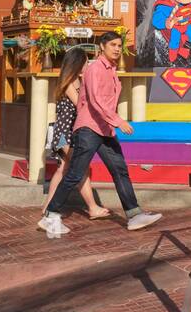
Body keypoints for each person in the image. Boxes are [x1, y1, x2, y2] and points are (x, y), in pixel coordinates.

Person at [37, 31, 161, 237]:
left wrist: (112, 123)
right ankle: (50, 215)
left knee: (119, 169)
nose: (117, 48)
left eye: (119, 45)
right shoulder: (95, 69)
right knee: (75, 172)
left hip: (104, 129)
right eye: (112, 44)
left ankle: (134, 214)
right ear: (101, 47)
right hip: (88, 129)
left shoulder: (111, 70)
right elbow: (95, 101)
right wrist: (119, 121)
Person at [42, 47, 111, 220]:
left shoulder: (77, 81)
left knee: (63, 169)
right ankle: (92, 207)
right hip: (64, 134)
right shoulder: (70, 82)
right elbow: (80, 105)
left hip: (68, 133)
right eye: (86, 62)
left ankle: (48, 207)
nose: (88, 65)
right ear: (77, 63)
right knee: (80, 168)